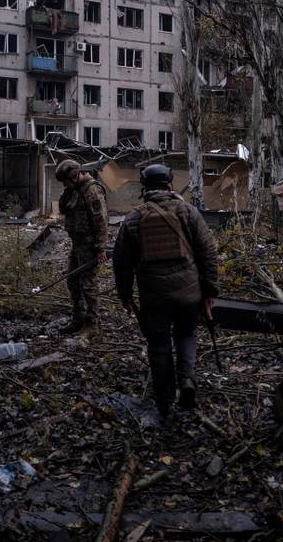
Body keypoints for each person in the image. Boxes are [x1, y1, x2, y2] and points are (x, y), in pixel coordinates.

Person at [112, 164, 219, 421]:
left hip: (154, 296)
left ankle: (164, 400)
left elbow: (121, 261)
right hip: (188, 293)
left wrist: (125, 294)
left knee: (159, 345)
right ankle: (187, 382)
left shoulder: (134, 218)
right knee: (186, 335)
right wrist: (210, 289)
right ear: (169, 184)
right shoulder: (188, 212)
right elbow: (208, 252)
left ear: (144, 186)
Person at [55, 159, 109, 336]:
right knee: (73, 282)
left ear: (76, 176)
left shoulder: (92, 190)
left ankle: (92, 324)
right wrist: (67, 190)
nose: (65, 184)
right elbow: (63, 209)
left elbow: (101, 220)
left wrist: (101, 248)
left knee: (89, 285)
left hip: (89, 245)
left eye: (66, 181)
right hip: (77, 244)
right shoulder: (73, 190)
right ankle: (77, 320)